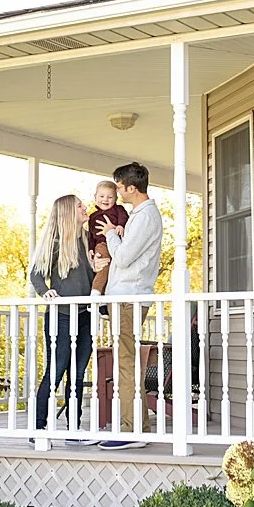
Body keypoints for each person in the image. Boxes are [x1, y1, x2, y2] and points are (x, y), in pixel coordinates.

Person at [97, 161, 164, 450]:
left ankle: (130, 430)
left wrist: (111, 234)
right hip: (125, 296)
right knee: (127, 362)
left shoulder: (146, 216)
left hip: (128, 297)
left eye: (120, 188)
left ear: (132, 188)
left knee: (125, 363)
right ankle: (139, 427)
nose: (118, 193)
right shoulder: (140, 216)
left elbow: (122, 259)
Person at [29, 194, 94, 438]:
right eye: (80, 206)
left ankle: (74, 428)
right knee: (55, 372)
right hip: (62, 318)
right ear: (68, 213)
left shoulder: (88, 239)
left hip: (86, 316)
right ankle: (39, 428)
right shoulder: (55, 243)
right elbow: (36, 275)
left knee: (77, 375)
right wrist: (46, 293)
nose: (85, 208)